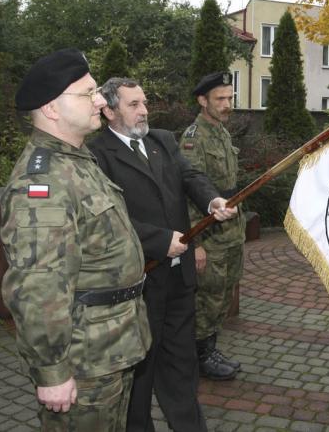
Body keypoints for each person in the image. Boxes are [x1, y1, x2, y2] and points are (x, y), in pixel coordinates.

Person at [0, 48, 152, 431]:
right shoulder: (43, 182)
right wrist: (52, 370)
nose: (100, 101)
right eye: (87, 94)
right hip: (85, 359)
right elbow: (39, 284)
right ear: (51, 108)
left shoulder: (76, 159)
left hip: (110, 345)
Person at [88, 77, 237, 431]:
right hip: (138, 281)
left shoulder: (162, 140)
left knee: (182, 366)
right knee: (140, 373)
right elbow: (108, 219)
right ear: (110, 111)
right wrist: (158, 240)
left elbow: (191, 176)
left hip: (178, 279)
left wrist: (212, 200)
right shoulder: (95, 155)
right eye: (133, 105)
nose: (144, 111)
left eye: (144, 102)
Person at [179, 72, 247, 381]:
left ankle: (210, 349)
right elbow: (188, 191)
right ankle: (200, 357)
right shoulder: (194, 139)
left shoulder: (221, 132)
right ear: (202, 101)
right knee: (207, 299)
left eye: (230, 98)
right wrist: (195, 244)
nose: (227, 104)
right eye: (220, 99)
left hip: (230, 231)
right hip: (208, 234)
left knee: (222, 294)